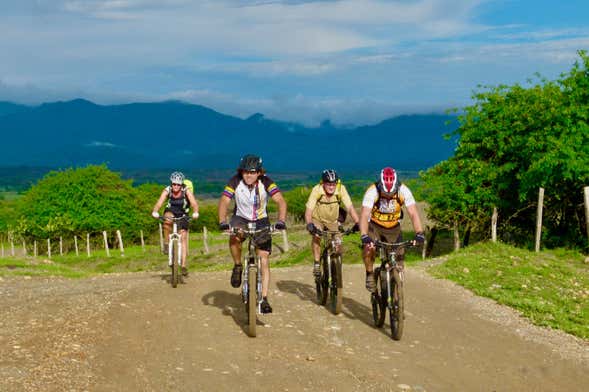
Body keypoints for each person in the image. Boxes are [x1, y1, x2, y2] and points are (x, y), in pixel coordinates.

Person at [218, 154, 287, 314]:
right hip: (240, 218)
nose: (249, 175)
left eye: (253, 172)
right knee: (234, 237)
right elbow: (224, 201)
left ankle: (264, 298)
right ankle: (237, 265)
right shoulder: (235, 181)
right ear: (241, 172)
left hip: (261, 220)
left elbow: (280, 201)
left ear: (259, 173)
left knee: (263, 258)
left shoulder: (266, 182)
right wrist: (223, 221)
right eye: (246, 172)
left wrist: (281, 220)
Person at [359, 167, 425, 292]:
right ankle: (369, 274)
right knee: (368, 248)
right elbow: (364, 215)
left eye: (391, 194)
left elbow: (413, 214)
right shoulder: (372, 191)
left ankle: (396, 292)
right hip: (375, 226)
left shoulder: (403, 190)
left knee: (399, 262)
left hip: (394, 227)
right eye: (385, 193)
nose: (388, 197)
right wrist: (364, 235)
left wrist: (419, 233)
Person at [304, 169, 360, 278]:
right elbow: (308, 211)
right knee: (317, 236)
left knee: (338, 244)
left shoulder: (341, 189)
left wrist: (358, 222)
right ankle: (316, 263)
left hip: (333, 221)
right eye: (328, 184)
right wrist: (309, 224)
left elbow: (350, 208)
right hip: (317, 219)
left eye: (333, 184)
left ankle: (336, 268)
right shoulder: (317, 190)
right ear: (323, 183)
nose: (331, 187)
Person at [151, 171, 200, 277]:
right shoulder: (167, 190)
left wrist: (196, 212)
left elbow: (194, 203)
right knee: (167, 221)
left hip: (183, 213)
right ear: (171, 183)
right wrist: (155, 211)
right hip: (171, 211)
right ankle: (166, 243)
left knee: (183, 238)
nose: (176, 186)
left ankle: (183, 266)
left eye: (178, 184)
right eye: (174, 184)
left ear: (181, 184)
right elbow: (159, 203)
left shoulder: (186, 191)